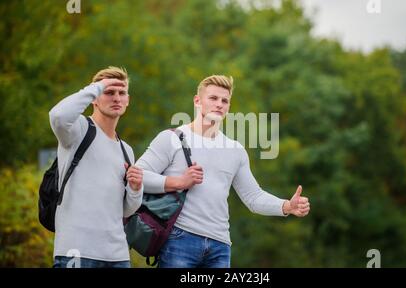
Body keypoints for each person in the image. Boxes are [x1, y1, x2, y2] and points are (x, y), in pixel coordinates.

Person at [135, 75, 310, 268]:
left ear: (228, 107)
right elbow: (136, 176)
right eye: (213, 98)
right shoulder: (172, 138)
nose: (219, 104)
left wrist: (286, 206)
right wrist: (178, 182)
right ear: (197, 101)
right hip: (180, 239)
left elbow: (253, 197)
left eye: (224, 100)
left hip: (220, 246)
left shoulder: (235, 150)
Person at [49, 66, 143, 268]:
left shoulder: (126, 149)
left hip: (117, 257)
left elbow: (127, 210)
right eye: (109, 93)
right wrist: (97, 87)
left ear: (128, 100)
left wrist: (135, 188)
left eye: (122, 93)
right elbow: (58, 116)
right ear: (95, 98)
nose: (116, 98)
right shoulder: (79, 130)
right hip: (76, 252)